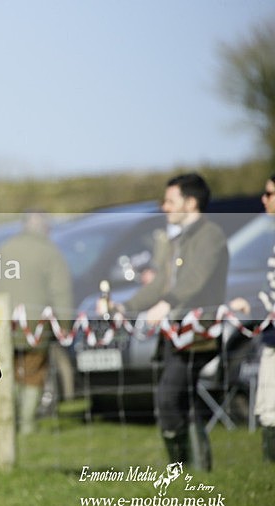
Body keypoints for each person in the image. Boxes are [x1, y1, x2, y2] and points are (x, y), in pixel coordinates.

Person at [113, 173, 228, 471]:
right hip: (173, 335)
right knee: (178, 399)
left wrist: (166, 304)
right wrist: (126, 305)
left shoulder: (210, 236)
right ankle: (194, 471)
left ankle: (187, 469)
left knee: (170, 398)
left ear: (191, 203)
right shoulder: (178, 238)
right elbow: (160, 283)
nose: (164, 207)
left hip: (196, 335)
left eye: (170, 200)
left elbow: (195, 280)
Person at [0, 210, 73, 435]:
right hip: (37, 323)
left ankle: (11, 422)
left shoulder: (3, 248)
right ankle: (27, 424)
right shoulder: (50, 252)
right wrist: (66, 326)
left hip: (5, 321)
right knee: (34, 372)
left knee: (10, 370)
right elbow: (61, 292)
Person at [229, 172, 275, 462]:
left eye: (270, 194)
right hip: (271, 337)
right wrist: (251, 303)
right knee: (268, 407)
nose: (264, 199)